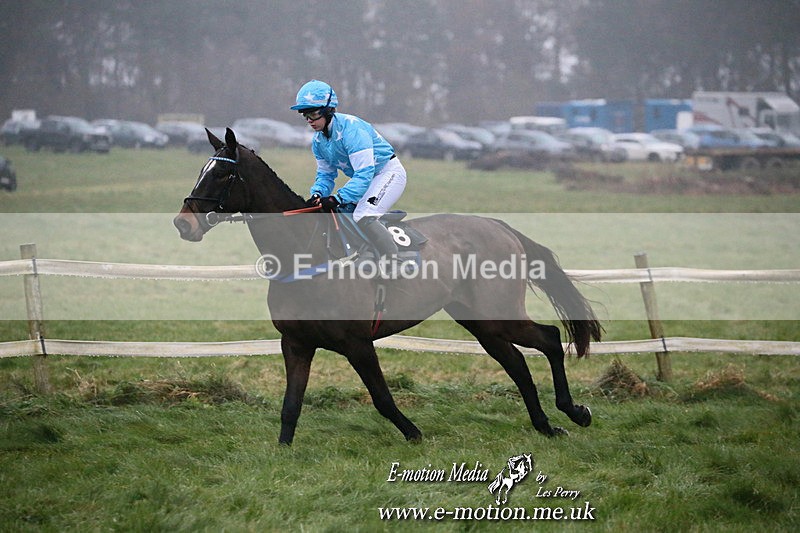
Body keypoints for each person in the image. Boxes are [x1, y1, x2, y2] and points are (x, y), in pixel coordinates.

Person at [291, 79, 409, 274]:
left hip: (388, 173)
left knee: (363, 214)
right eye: (305, 115)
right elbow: (326, 175)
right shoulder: (319, 141)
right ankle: (365, 252)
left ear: (328, 110)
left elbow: (364, 174)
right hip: (369, 179)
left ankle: (394, 263)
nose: (309, 120)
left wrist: (337, 197)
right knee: (340, 210)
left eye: (313, 113)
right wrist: (317, 194)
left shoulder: (352, 130)